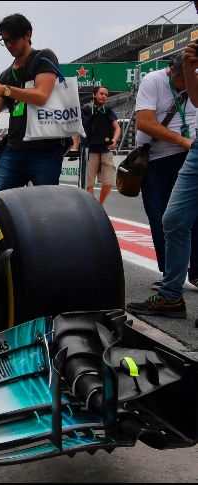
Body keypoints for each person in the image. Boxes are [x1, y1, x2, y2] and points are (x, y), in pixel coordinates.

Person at [126, 49, 198, 319]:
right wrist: (183, 140)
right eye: (184, 80)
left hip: (187, 154)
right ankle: (170, 287)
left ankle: (191, 276)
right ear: (173, 71)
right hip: (157, 160)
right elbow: (144, 122)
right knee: (166, 219)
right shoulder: (154, 80)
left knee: (189, 219)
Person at [0, 13, 64, 198]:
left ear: (27, 35)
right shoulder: (6, 75)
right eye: (4, 40)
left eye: (12, 39)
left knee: (47, 206)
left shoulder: (43, 57)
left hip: (45, 149)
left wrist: (5, 90)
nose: (8, 45)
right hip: (14, 148)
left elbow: (41, 96)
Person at [80, 85, 120, 205]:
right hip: (89, 149)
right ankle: (94, 206)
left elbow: (117, 128)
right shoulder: (85, 109)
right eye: (101, 94)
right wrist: (75, 145)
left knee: (108, 181)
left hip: (105, 149)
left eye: (106, 95)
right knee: (89, 183)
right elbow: (78, 128)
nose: (104, 96)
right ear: (94, 95)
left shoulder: (109, 110)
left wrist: (114, 140)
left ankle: (100, 206)